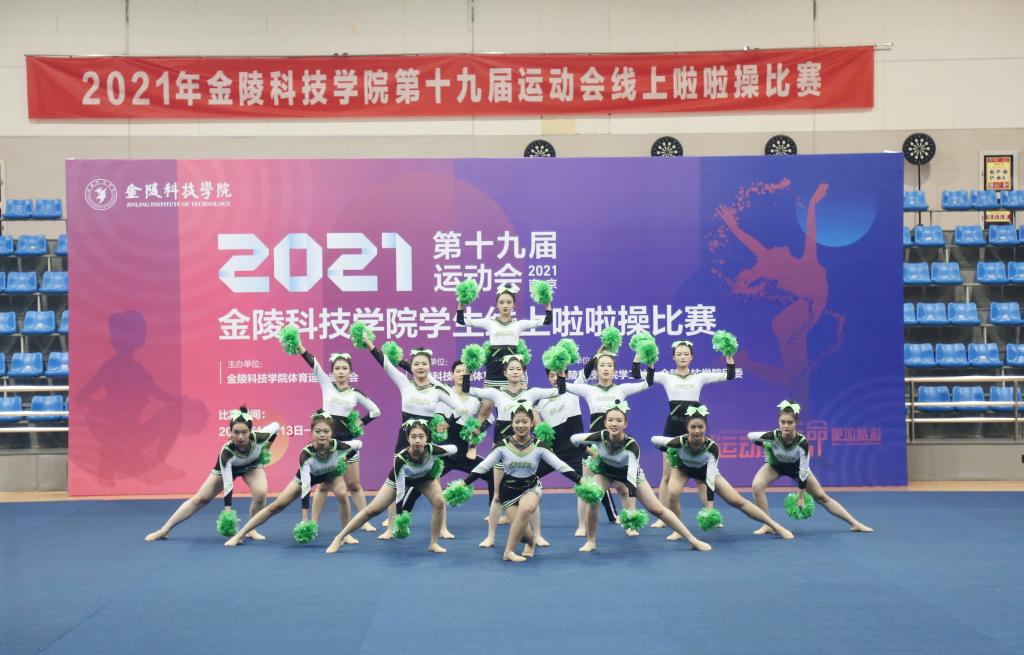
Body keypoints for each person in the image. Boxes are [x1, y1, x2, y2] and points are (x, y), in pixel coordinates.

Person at [571, 402, 711, 553]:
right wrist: (592, 453)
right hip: (605, 472)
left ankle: (693, 540)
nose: (614, 423)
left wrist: (631, 510)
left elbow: (631, 480)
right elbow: (574, 439)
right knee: (593, 498)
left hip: (630, 476)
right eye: (610, 420)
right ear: (605, 423)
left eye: (619, 420)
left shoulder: (632, 446)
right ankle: (591, 541)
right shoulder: (599, 437)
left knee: (658, 510)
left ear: (625, 423)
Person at [364, 337, 466, 535]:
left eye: (424, 363)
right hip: (404, 442)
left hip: (426, 445)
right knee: (396, 485)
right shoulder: (404, 383)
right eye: (416, 364)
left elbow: (460, 408)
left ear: (430, 366)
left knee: (435, 487)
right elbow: (385, 363)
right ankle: (391, 528)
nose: (420, 367)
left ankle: (442, 528)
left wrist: (447, 423)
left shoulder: (437, 390)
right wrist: (370, 345)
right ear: (411, 366)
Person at [462, 354, 564, 548]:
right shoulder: (496, 393)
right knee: (497, 495)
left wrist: (560, 374)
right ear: (504, 372)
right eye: (511, 369)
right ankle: (491, 536)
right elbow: (468, 389)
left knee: (531, 494)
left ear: (523, 372)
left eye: (519, 369)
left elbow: (559, 391)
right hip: (502, 448)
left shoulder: (532, 393)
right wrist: (467, 371)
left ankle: (538, 535)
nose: (515, 372)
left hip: (528, 450)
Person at [458, 403, 582, 562]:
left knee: (526, 509)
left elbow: (560, 465)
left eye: (525, 422)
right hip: (508, 492)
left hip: (531, 487)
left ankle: (508, 552)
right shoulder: (503, 446)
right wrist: (464, 483)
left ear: (532, 423)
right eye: (517, 422)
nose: (521, 425)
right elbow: (484, 466)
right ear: (512, 424)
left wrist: (580, 480)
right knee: (524, 535)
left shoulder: (539, 446)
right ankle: (530, 542)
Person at [651, 405, 793, 541]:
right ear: (687, 428)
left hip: (706, 472)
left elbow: (710, 479)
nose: (697, 431)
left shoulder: (712, 448)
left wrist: (710, 509)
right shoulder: (678, 442)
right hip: (683, 470)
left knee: (737, 501)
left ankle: (776, 526)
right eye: (693, 427)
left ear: (706, 427)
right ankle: (678, 531)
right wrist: (670, 450)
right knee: (673, 492)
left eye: (700, 427)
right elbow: (655, 440)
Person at [224, 410, 361, 546]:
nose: (322, 435)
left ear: (332, 432)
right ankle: (239, 535)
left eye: (326, 431)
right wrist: (305, 519)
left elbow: (358, 445)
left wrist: (344, 460)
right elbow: (306, 488)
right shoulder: (306, 455)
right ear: (311, 432)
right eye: (318, 431)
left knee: (342, 495)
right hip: (307, 478)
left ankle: (346, 534)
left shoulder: (338, 446)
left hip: (331, 474)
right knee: (276, 506)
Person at [145, 407, 278, 541]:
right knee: (200, 499)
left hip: (251, 466)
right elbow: (228, 484)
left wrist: (267, 447)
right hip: (228, 470)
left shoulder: (260, 437)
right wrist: (228, 511)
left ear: (250, 431)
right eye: (236, 432)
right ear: (230, 432)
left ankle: (251, 530)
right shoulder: (226, 453)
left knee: (261, 493)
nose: (240, 437)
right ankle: (164, 530)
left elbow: (276, 426)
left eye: (244, 432)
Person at [640, 339, 735, 528]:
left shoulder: (700, 377)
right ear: (673, 357)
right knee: (667, 476)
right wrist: (647, 359)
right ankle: (663, 517)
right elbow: (638, 375)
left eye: (686, 354)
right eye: (679, 354)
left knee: (701, 478)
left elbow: (730, 375)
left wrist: (728, 354)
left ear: (692, 357)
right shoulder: (666, 377)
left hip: (694, 430)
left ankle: (710, 516)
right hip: (672, 430)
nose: (682, 357)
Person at [326, 419, 456, 554]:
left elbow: (454, 449)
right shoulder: (401, 459)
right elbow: (400, 491)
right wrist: (399, 517)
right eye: (413, 436)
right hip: (399, 482)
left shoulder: (433, 450)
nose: (417, 440)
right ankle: (339, 538)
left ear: (427, 438)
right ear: (408, 439)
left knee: (440, 501)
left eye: (421, 436)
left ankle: (433, 544)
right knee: (372, 511)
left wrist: (444, 449)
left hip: (425, 479)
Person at [400, 360, 496, 539]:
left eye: (465, 371)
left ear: (470, 375)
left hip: (465, 454)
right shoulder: (444, 391)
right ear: (452, 374)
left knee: (492, 474)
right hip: (443, 452)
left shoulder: (475, 399)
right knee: (420, 484)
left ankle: (493, 514)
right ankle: (401, 517)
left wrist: (477, 435)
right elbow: (423, 374)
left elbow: (489, 418)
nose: (461, 374)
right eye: (458, 371)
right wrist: (400, 361)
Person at [748, 400, 873, 534]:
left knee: (822, 497)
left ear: (796, 423)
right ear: (778, 422)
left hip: (797, 469)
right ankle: (767, 524)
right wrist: (766, 445)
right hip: (775, 466)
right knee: (757, 486)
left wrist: (801, 497)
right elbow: (751, 436)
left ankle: (855, 524)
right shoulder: (772, 436)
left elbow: (803, 471)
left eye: (790, 422)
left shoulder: (802, 443)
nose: (786, 426)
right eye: (782, 422)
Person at [295, 348, 381, 533]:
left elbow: (375, 411)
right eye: (337, 368)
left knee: (354, 485)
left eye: (344, 368)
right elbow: (314, 363)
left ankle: (364, 521)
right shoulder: (327, 385)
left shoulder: (355, 393)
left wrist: (360, 422)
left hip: (348, 445)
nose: (341, 372)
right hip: (327, 446)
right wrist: (301, 349)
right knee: (323, 486)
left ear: (350, 372)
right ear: (332, 371)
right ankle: (313, 523)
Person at [456, 283, 552, 427]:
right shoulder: (489, 323)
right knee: (485, 410)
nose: (505, 305)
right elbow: (461, 321)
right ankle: (472, 440)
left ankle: (534, 438)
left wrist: (547, 301)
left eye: (509, 302)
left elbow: (547, 321)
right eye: (501, 302)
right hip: (494, 371)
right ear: (497, 305)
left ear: (514, 305)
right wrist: (461, 302)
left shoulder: (519, 324)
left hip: (514, 371)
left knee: (524, 409)